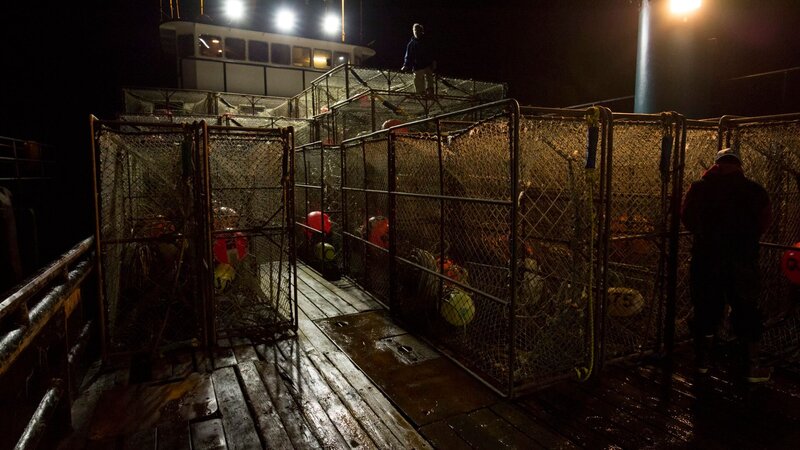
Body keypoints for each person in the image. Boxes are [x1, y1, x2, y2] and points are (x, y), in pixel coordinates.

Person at [681, 147, 772, 383]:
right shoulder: (755, 191)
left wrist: (705, 233)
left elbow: (687, 217)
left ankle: (701, 363)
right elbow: (764, 222)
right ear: (739, 166)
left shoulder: (700, 188)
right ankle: (751, 367)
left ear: (716, 165)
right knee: (746, 309)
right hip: (742, 258)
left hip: (707, 258)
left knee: (705, 308)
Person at [401, 23, 436, 96]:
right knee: (418, 80)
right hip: (417, 66)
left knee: (429, 79)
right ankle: (421, 95)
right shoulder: (411, 44)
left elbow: (432, 52)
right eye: (414, 30)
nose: (416, 32)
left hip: (427, 65)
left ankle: (430, 93)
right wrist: (405, 65)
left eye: (417, 30)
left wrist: (433, 62)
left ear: (421, 31)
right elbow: (408, 56)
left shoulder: (427, 41)